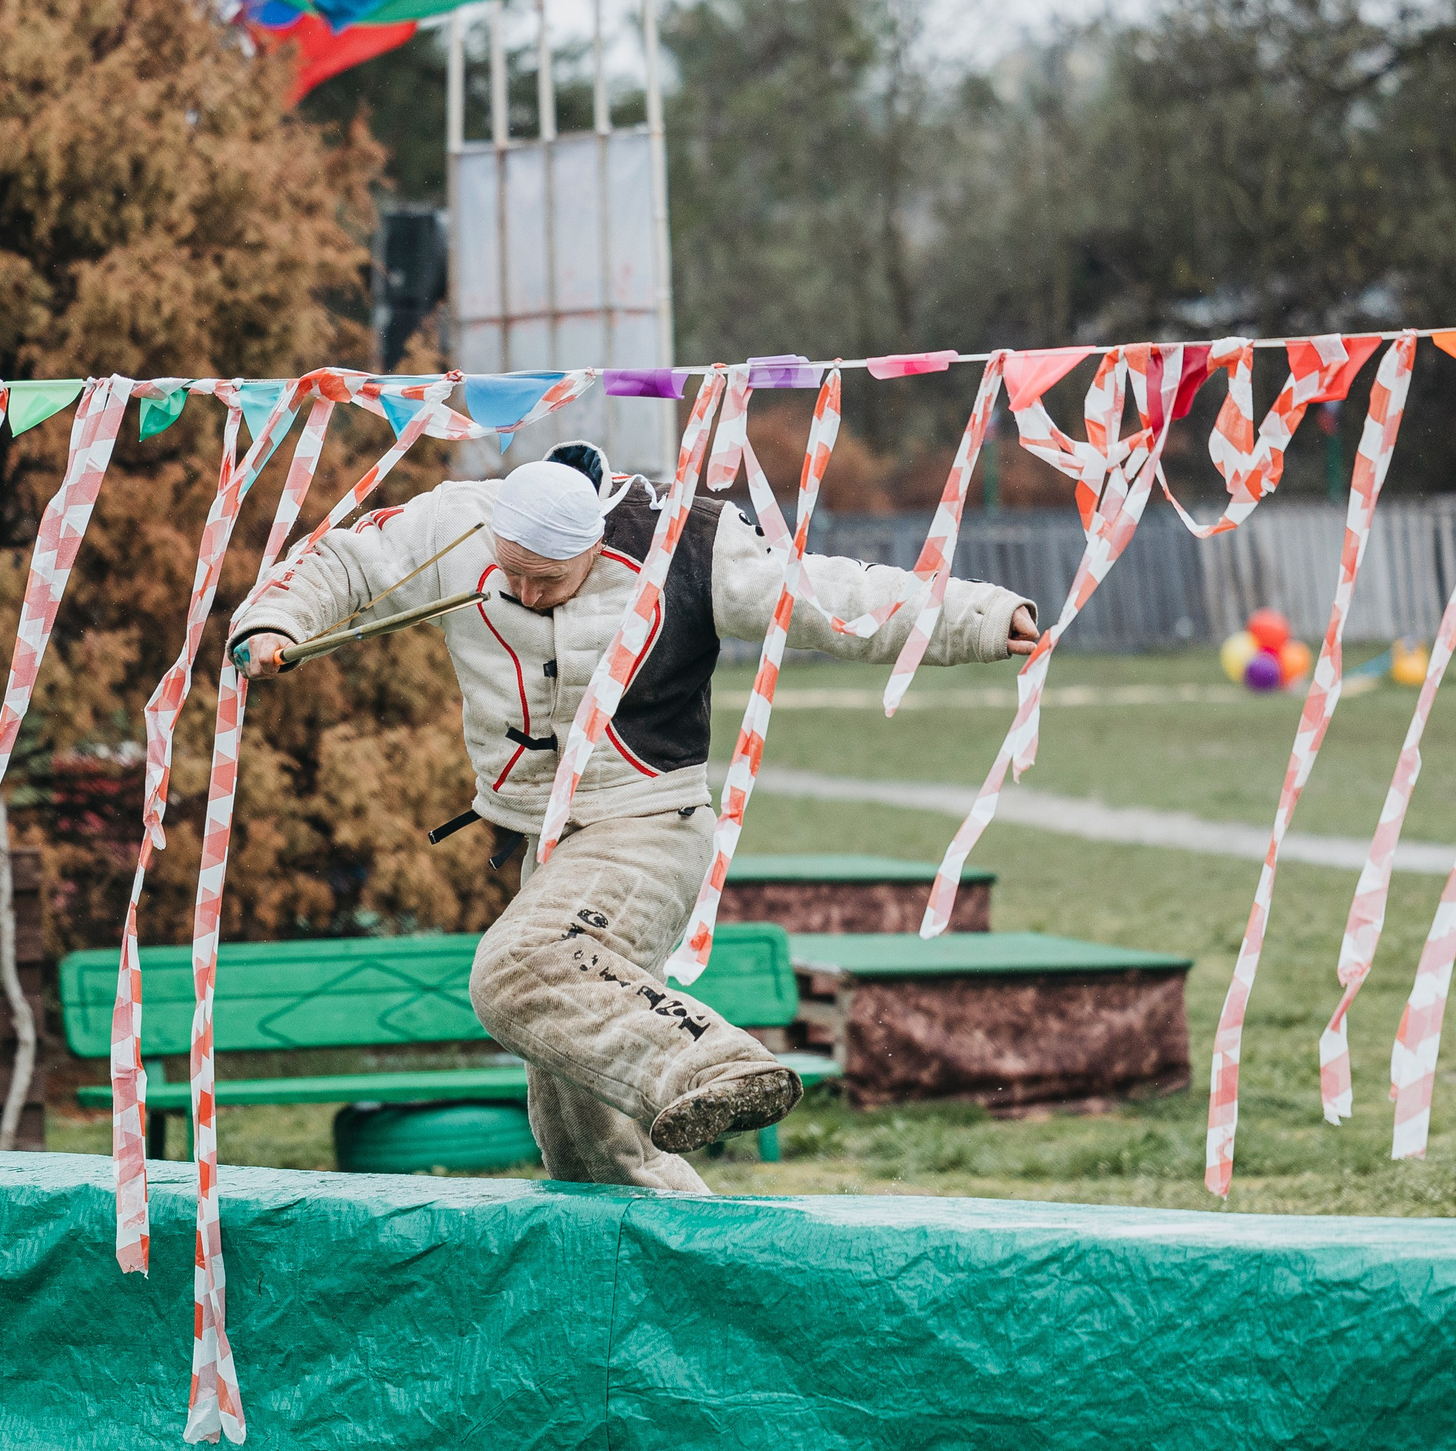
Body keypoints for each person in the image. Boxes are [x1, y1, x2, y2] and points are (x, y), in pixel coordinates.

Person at [229, 442, 1039, 1192]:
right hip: (549, 845)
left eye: (548, 578)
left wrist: (978, 618)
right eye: (511, 574)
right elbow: (341, 559)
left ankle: (715, 1065)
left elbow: (829, 594)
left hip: (649, 823)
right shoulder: (457, 522)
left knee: (517, 969)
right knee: (584, 1146)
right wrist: (273, 623)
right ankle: (686, 1272)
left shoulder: (687, 545)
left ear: (593, 542)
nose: (524, 593)